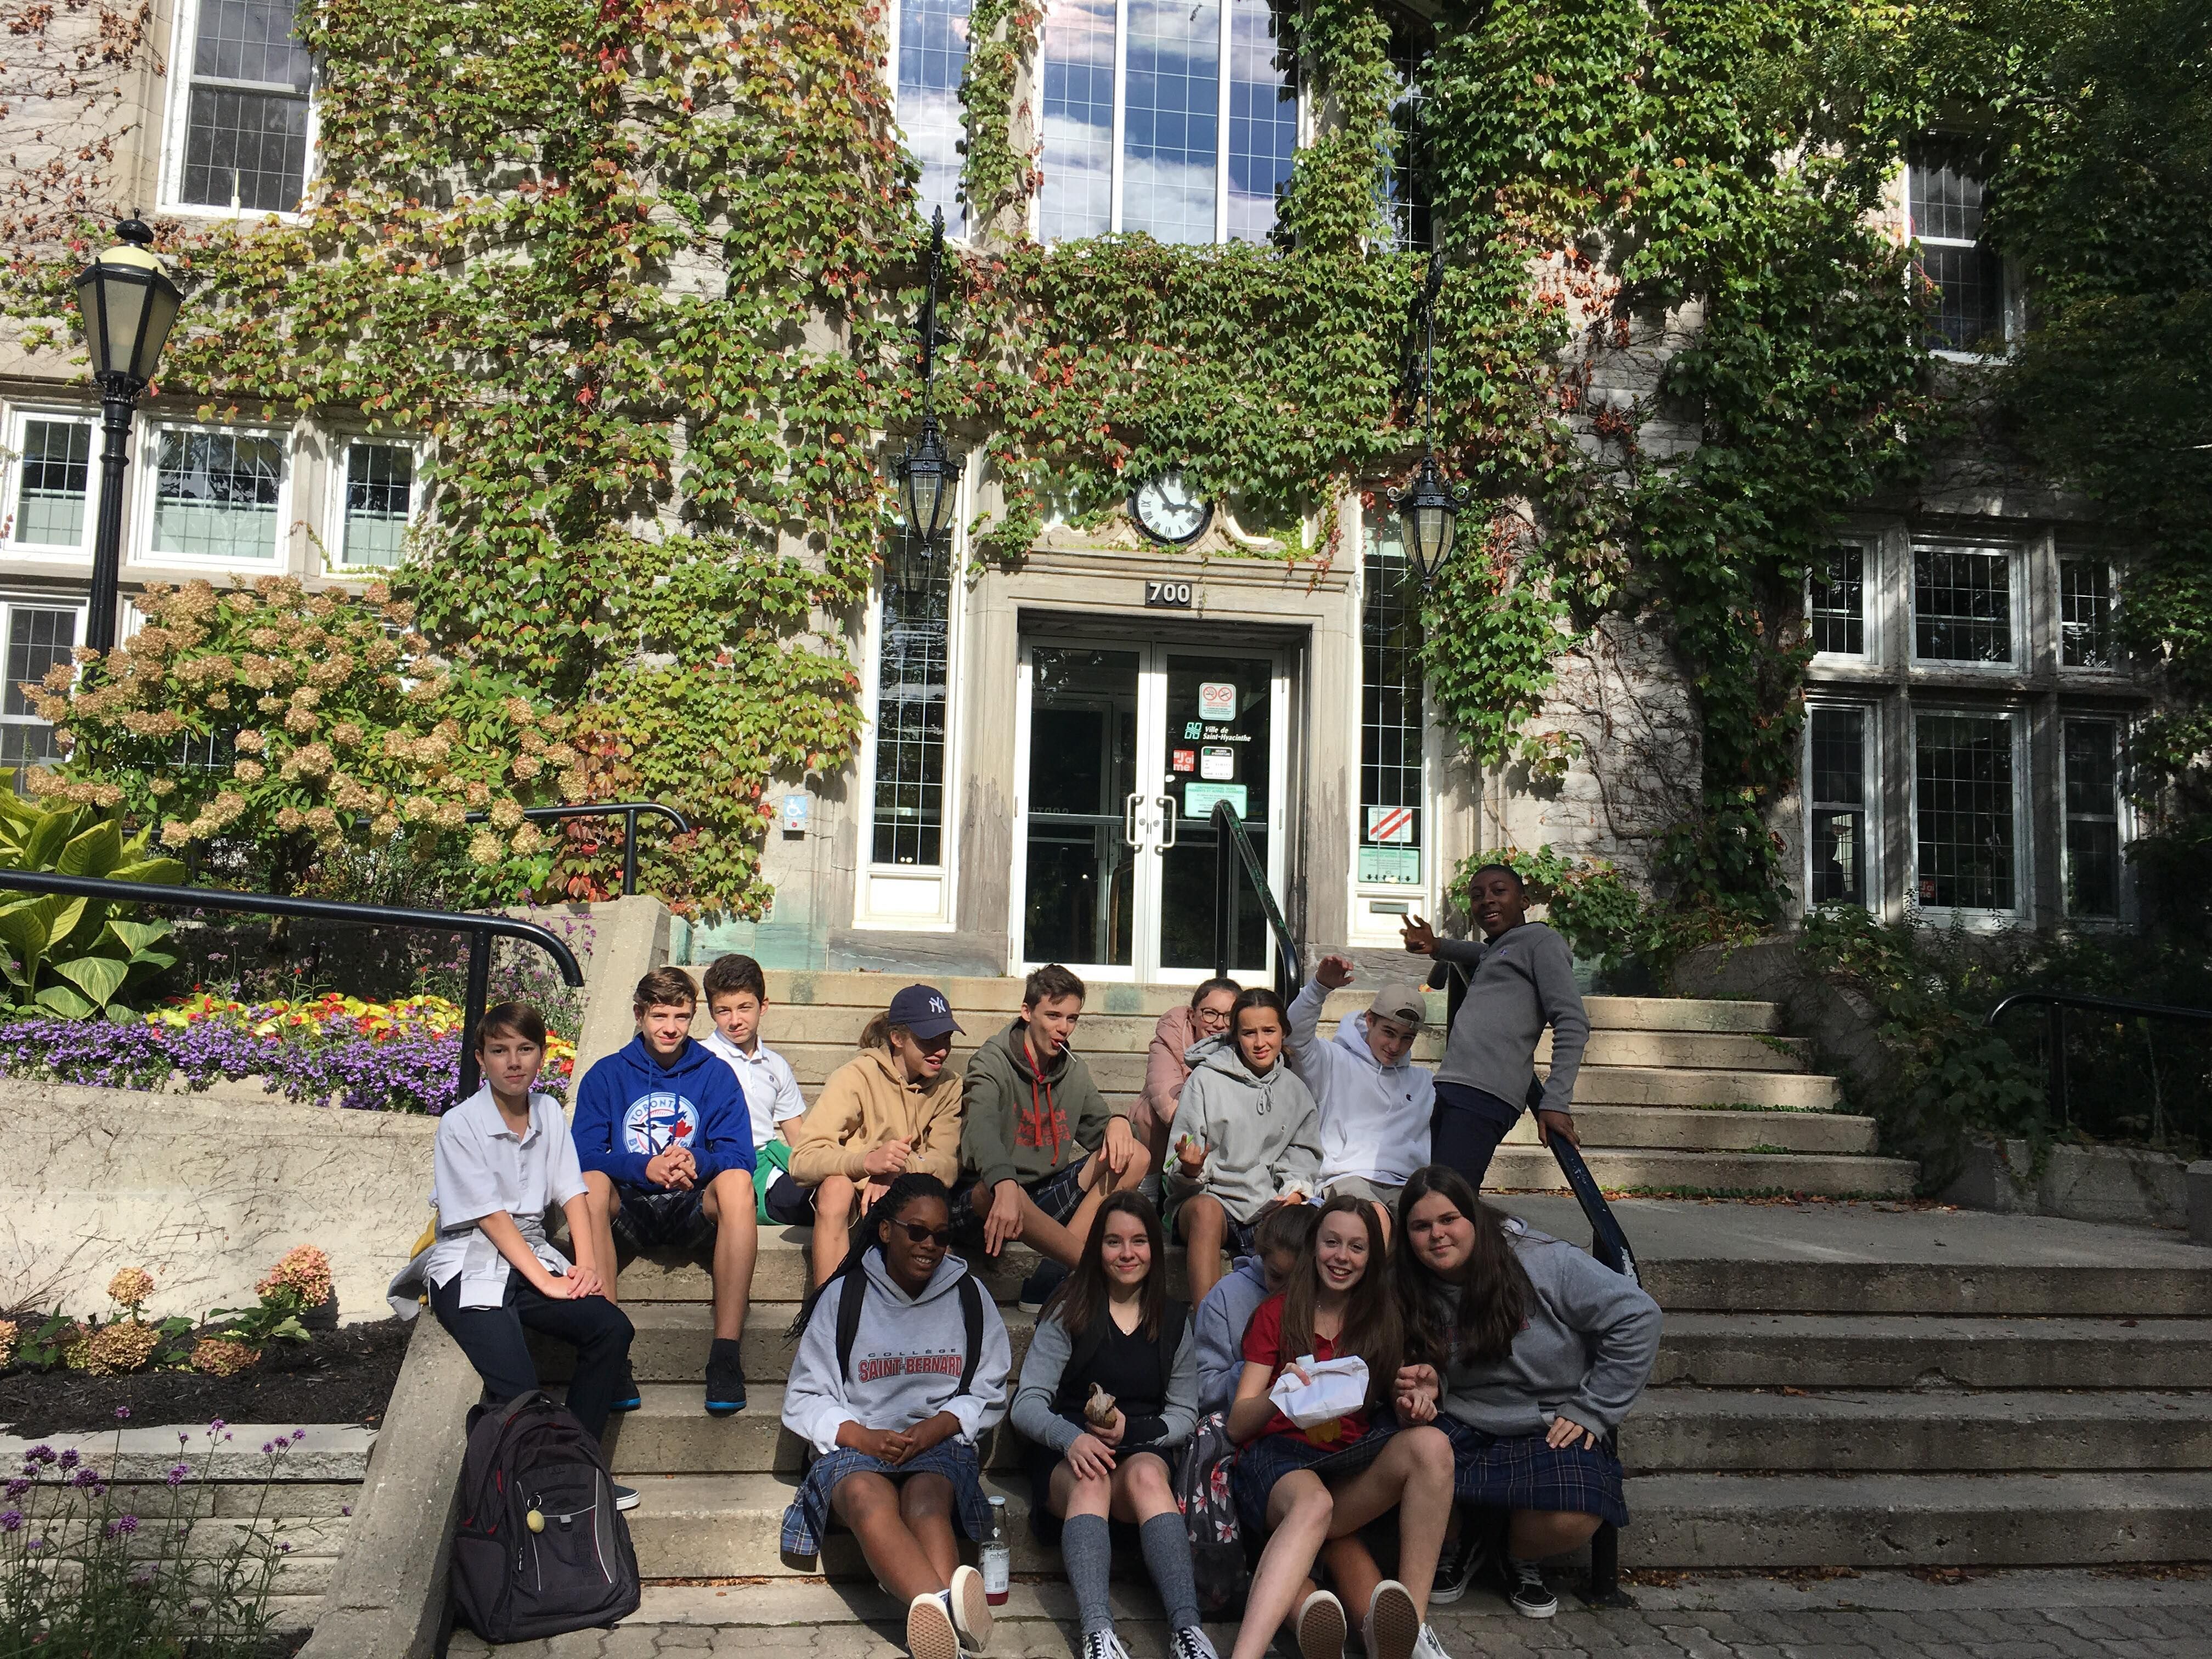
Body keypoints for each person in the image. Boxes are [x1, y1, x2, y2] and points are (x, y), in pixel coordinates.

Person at [1391, 1165, 1660, 1620]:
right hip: (1460, 1415)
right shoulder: (1403, 1280)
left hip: (1548, 1418)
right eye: (1421, 1226)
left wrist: (1594, 1409)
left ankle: (1513, 1552)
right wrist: (1429, 1385)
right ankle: (1458, 1542)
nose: (1437, 1235)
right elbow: (1400, 1360)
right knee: (1386, 1458)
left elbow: (1639, 1317)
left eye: (1449, 1219)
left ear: (1475, 1218)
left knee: (1575, 1512)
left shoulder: (1541, 1260)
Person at [781, 1173, 1010, 1659]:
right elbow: (805, 1396)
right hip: (856, 1445)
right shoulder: (845, 1296)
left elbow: (989, 1388)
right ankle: (952, 1613)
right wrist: (861, 1437)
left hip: (938, 1442)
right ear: (886, 1230)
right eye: (917, 1232)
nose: (930, 1245)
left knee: (927, 1502)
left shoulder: (970, 1296)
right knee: (866, 1499)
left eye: (941, 1236)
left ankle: (941, 1630)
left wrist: (937, 1427)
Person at [424, 1002, 639, 1509]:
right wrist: (546, 1282)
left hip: (532, 1255)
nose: (514, 1062)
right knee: (520, 1388)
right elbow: (490, 1216)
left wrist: (587, 1267)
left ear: (542, 1056)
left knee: (610, 1327)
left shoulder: (548, 1113)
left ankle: (580, 1474)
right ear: (481, 1059)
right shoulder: (460, 1124)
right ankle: (543, 1489)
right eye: (500, 1051)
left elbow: (573, 1192)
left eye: (525, 1049)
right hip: (469, 1262)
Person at [1226, 1196, 1457, 1659]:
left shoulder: (1381, 1318)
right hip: (1280, 1465)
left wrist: (1415, 1403)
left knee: (1433, 1446)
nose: (1342, 1257)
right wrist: (1277, 1393)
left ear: (1372, 1258)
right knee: (1315, 1505)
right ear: (1314, 1246)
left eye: (1357, 1247)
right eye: (1332, 1243)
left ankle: (1411, 1631)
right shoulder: (1277, 1313)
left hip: (1350, 1464)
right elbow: (1237, 1424)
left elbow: (1396, 1398)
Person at [1009, 1192, 1216, 1659]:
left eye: (1139, 1241)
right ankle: (1098, 1633)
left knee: (1147, 1477)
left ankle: (1187, 1630)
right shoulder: (1069, 1308)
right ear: (1096, 1248)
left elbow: (1185, 1413)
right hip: (1070, 1453)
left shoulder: (1174, 1320)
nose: (1127, 1253)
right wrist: (1072, 1439)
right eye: (1113, 1242)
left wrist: (1133, 1434)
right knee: (1092, 1480)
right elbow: (1027, 1404)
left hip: (1140, 1450)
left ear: (1154, 1250)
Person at [572, 966, 757, 1417]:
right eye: (659, 1016)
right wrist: (643, 1166)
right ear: (639, 1015)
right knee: (590, 1184)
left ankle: (726, 1355)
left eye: (681, 1016)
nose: (671, 1028)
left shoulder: (716, 1074)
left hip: (692, 1202)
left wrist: (698, 1161)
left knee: (737, 1183)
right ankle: (611, 1351)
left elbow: (740, 1154)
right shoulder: (607, 1075)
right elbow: (581, 1155)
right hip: (630, 1205)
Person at [955, 964, 1148, 1302]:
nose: (1064, 1028)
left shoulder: (1072, 1068)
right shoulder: (991, 1061)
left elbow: (1100, 1130)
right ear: (1027, 1012)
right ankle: (1093, 1272)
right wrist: (1004, 1181)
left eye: (1072, 1018)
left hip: (1045, 1195)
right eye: (1054, 1016)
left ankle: (1053, 1274)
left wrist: (1119, 1122)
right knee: (998, 1191)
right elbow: (980, 1129)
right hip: (989, 1197)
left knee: (1137, 1155)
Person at [1401, 864, 1591, 1190]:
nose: (1487, 900)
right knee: (1433, 1193)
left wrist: (1556, 1101)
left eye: (1499, 891)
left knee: (1448, 1197)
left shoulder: (1541, 942)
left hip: (1485, 1092)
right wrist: (1438, 946)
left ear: (1525, 901)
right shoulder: (1499, 950)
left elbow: (1572, 1022)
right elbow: (1481, 952)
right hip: (1451, 1085)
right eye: (1477, 896)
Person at [786, 984, 967, 1285]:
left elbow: (947, 1165)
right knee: (835, 1189)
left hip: (907, 1204)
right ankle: (828, 1305)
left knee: (930, 1208)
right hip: (856, 1206)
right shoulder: (855, 1077)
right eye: (928, 1040)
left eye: (946, 1038)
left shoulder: (950, 1085)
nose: (941, 1050)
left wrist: (898, 1169)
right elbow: (802, 1160)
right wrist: (867, 1163)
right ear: (897, 1038)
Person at [1163, 985, 1322, 1305]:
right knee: (1207, 1212)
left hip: (1264, 1204)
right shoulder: (1205, 1079)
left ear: (1284, 1032)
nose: (1260, 1042)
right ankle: (1208, 1322)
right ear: (1236, 1035)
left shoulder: (1296, 1091)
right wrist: (1190, 1168)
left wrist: (1294, 1192)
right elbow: (1175, 1164)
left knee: (1302, 1222)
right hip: (1207, 1200)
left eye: (1269, 1031)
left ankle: (1284, 1321)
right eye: (1249, 1033)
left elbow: (1303, 1156)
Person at [1285, 956, 1434, 1239]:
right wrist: (1318, 988)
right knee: (1374, 1218)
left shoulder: (1423, 1082)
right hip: (1346, 1177)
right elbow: (1294, 1038)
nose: (1395, 1046)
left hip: (1406, 1182)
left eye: (1407, 1038)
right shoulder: (1332, 1060)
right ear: (1370, 1020)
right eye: (1389, 1033)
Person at [697, 952, 812, 1228]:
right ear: (711, 1012)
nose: (735, 1020)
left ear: (763, 1006)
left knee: (837, 1193)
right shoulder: (699, 1059)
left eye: (744, 1008)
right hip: (722, 1170)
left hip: (771, 1167)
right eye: (724, 1011)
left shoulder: (776, 1065)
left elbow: (799, 1138)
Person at [1192, 1199, 1317, 1413]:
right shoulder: (1226, 1297)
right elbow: (1202, 1389)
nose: (1286, 1291)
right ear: (1262, 1256)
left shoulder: (1331, 1298)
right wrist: (1259, 1372)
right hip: (1245, 1417)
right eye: (1276, 1276)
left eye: (1299, 1281)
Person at [1133, 977, 1240, 1190]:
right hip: (1168, 1132)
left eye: (1229, 1016)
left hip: (1218, 1132)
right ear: (1193, 1015)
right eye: (1210, 1013)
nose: (1220, 1024)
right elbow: (1169, 1107)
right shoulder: (1168, 1041)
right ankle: (1149, 1186)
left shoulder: (1244, 1045)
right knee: (1150, 1110)